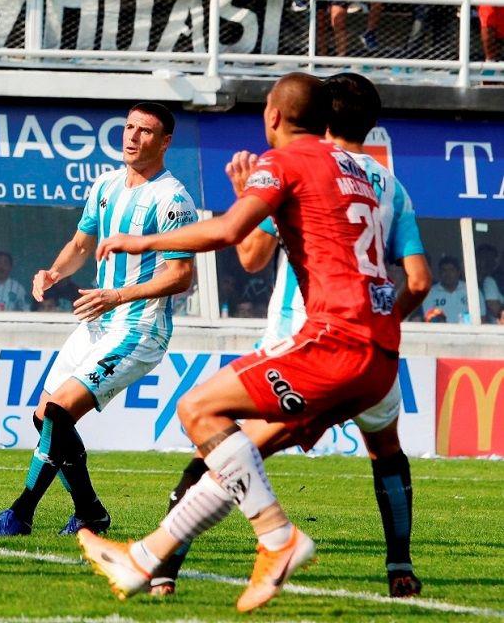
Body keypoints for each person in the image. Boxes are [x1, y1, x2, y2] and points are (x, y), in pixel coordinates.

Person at [79, 73, 407, 612]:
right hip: (380, 353)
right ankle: (146, 558)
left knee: (198, 409)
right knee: (238, 456)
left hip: (330, 341)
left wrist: (141, 240)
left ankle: (277, 538)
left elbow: (233, 234)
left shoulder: (285, 161)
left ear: (273, 116)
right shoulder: (361, 170)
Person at [0, 103, 194, 538]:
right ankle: (91, 513)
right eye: (129, 127)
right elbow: (81, 243)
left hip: (139, 329)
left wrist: (117, 295)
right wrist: (55, 271)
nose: (132, 137)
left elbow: (180, 276)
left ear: (165, 142)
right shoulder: (105, 184)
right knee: (44, 418)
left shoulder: (173, 198)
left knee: (58, 411)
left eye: (146, 131)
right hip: (97, 323)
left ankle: (20, 514)